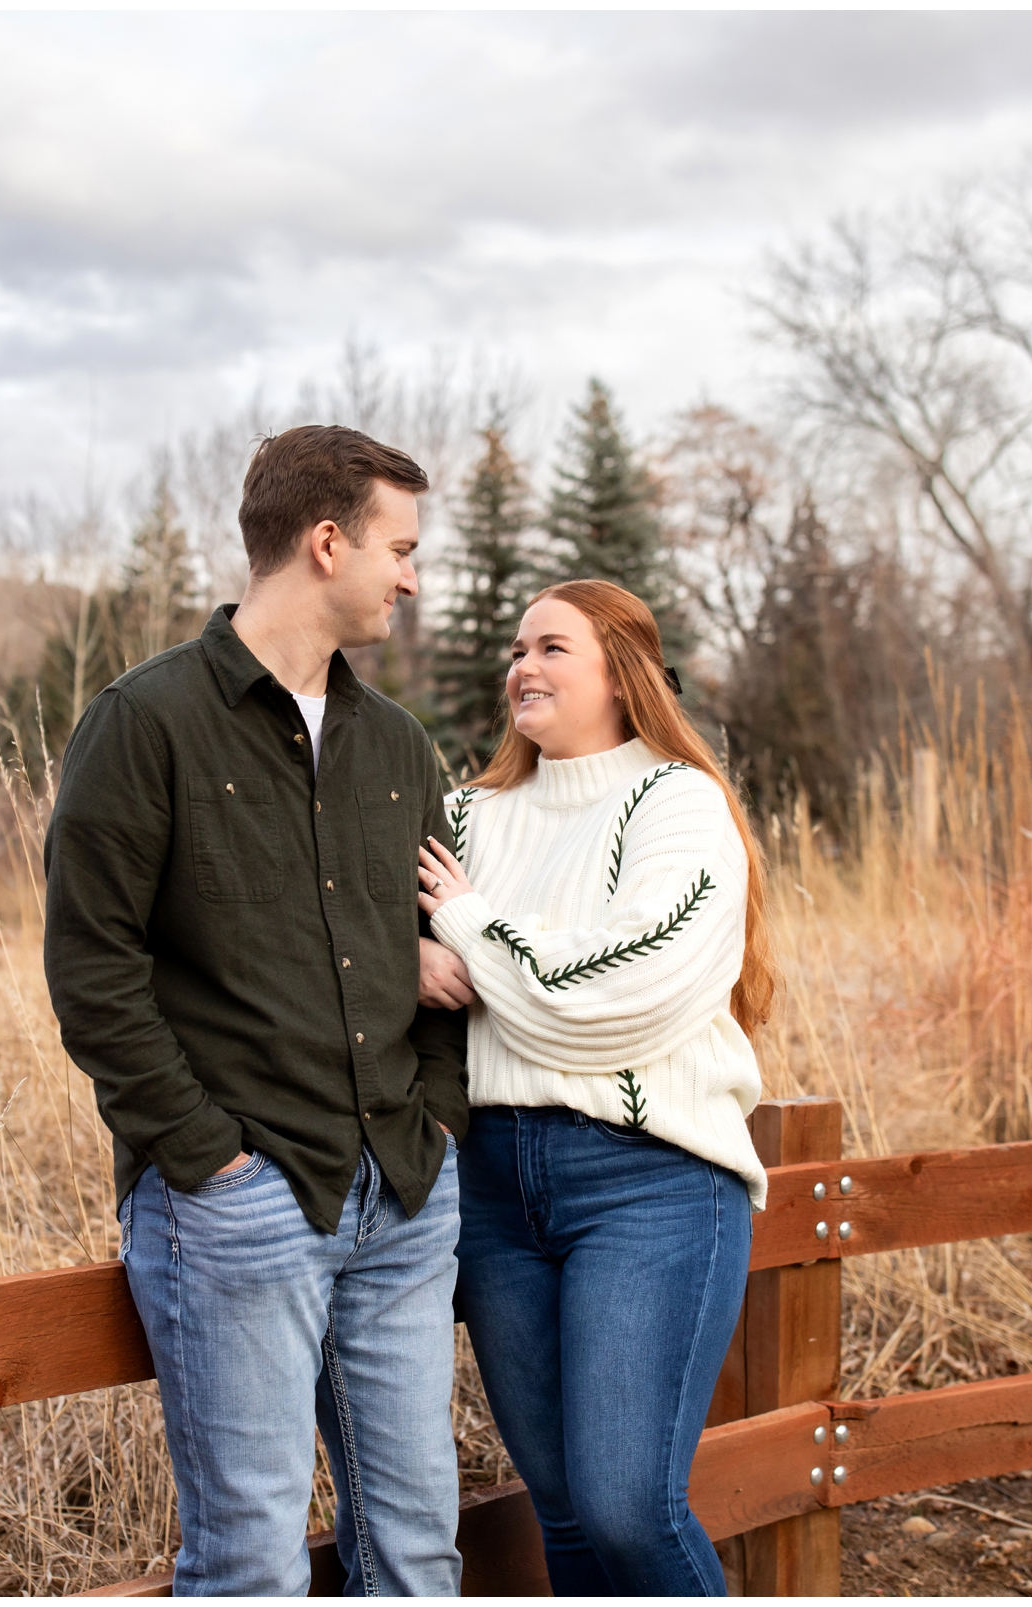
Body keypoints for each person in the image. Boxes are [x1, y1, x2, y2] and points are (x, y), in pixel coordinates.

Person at [42, 424, 470, 1597]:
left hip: (403, 1197)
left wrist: (433, 1117)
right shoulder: (147, 724)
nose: (413, 576)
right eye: (402, 547)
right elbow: (93, 969)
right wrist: (208, 1159)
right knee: (248, 1561)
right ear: (327, 543)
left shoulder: (397, 746)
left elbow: (442, 945)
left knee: (419, 1546)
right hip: (240, 1209)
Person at [413, 578, 778, 1596]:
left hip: (647, 1182)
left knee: (628, 1505)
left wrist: (475, 934)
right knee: (562, 1509)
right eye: (517, 647)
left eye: (553, 647)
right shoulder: (468, 817)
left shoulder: (677, 803)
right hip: (490, 1184)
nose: (522, 665)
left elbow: (621, 993)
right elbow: (367, 937)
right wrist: (412, 958)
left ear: (621, 671)